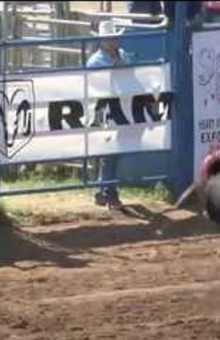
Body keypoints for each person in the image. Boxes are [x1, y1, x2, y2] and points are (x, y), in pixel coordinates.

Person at [87, 20, 135, 210]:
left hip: (124, 109)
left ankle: (103, 189)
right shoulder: (95, 61)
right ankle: (108, 191)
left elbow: (132, 74)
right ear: (101, 41)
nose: (113, 41)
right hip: (105, 110)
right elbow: (97, 85)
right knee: (110, 152)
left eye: (114, 37)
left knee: (115, 152)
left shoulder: (122, 55)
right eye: (109, 38)